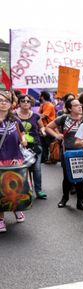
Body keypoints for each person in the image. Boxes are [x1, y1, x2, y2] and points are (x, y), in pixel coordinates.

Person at [44, 98, 83, 210]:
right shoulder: (63, 118)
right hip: (67, 151)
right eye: (76, 105)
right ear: (69, 108)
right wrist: (56, 135)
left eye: (80, 105)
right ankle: (65, 198)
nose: (80, 107)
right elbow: (48, 127)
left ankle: (80, 201)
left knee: (81, 177)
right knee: (67, 176)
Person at [0, 91, 27, 233]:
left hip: (15, 159)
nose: (3, 103)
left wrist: (23, 140)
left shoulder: (15, 120)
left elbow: (22, 133)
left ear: (10, 104)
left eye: (6, 101)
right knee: (0, 191)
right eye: (0, 100)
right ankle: (0, 218)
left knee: (16, 188)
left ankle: (17, 209)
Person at [16, 94, 47, 199]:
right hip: (19, 146)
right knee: (22, 168)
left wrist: (43, 131)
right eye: (23, 101)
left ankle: (38, 190)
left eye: (28, 101)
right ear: (19, 103)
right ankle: (24, 191)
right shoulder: (13, 116)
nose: (25, 103)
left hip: (35, 146)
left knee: (37, 168)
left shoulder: (36, 115)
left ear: (31, 103)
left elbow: (42, 127)